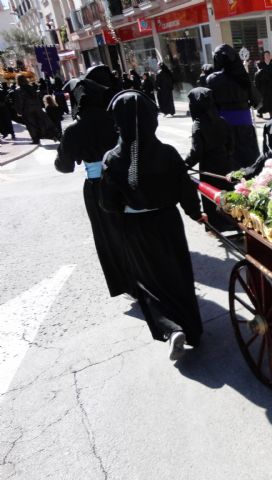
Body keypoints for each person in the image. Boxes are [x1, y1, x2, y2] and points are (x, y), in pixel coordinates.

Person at [100, 90, 206, 360]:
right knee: (178, 275)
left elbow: (108, 204)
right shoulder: (168, 153)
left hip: (136, 227)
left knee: (148, 281)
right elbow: (185, 191)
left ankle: (170, 329)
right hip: (168, 222)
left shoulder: (112, 159)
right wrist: (196, 214)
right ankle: (191, 330)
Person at [54, 65, 130, 298]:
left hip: (97, 186)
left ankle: (125, 283)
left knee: (108, 236)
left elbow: (64, 166)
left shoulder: (74, 131)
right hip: (126, 181)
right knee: (133, 229)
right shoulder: (116, 118)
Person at [184, 87, 233, 230]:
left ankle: (216, 225)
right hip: (225, 164)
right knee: (226, 193)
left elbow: (196, 152)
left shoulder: (198, 125)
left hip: (209, 166)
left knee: (212, 195)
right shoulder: (222, 120)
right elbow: (231, 144)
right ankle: (231, 222)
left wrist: (184, 165)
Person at [206, 44, 260, 169]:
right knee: (249, 162)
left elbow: (209, 105)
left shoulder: (212, 80)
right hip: (244, 125)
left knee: (229, 164)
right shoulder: (242, 77)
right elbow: (257, 101)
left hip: (224, 126)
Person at [13, 74, 57, 144]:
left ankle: (36, 139)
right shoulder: (31, 87)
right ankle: (51, 135)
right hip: (37, 108)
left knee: (31, 125)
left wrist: (19, 111)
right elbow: (37, 98)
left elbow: (20, 101)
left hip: (27, 110)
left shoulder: (19, 90)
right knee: (41, 122)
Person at [254, 52, 272, 119]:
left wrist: (258, 89)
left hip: (262, 90)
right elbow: (269, 80)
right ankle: (271, 115)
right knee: (269, 102)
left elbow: (256, 83)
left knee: (263, 103)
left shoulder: (257, 73)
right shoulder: (266, 71)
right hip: (268, 89)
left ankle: (260, 113)